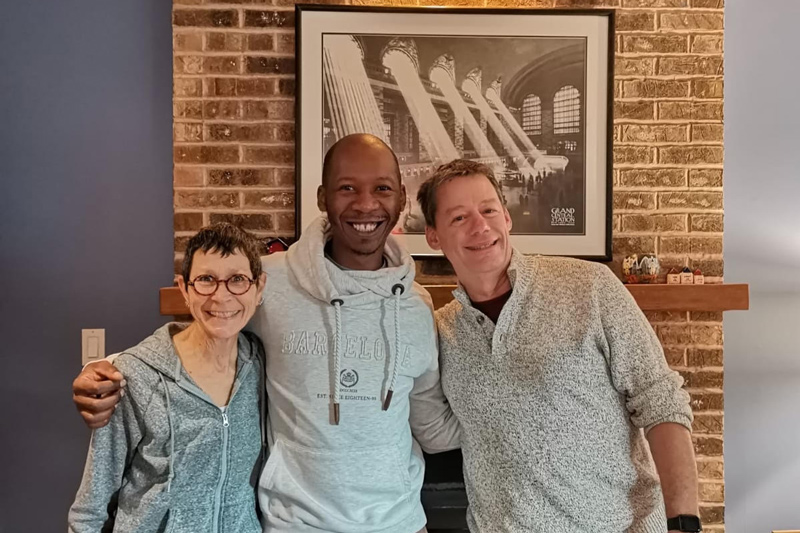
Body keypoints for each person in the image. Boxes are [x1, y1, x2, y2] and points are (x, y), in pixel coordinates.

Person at [72, 134, 460, 533]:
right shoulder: (269, 282)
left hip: (399, 523)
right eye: (347, 188)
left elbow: (430, 423)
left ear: (401, 199)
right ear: (322, 197)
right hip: (293, 524)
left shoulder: (414, 306)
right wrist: (109, 368)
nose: (365, 204)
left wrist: (508, 415)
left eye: (382, 188)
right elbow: (204, 331)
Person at [417, 159, 700, 533]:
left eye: (488, 210)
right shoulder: (441, 332)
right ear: (433, 236)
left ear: (506, 217)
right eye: (458, 218)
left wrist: (684, 523)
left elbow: (662, 402)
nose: (480, 226)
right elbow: (441, 431)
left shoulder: (591, 286)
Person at [69, 223, 267, 532]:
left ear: (259, 288)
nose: (221, 296)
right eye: (205, 280)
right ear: (184, 288)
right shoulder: (137, 376)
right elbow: (90, 505)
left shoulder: (260, 367)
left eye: (238, 280)